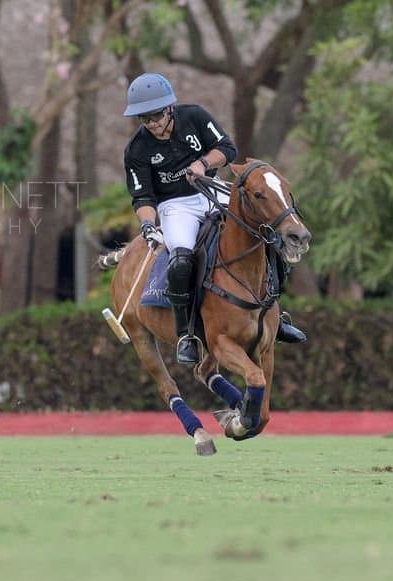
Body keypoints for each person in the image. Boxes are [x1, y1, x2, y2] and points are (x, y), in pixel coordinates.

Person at [121, 72, 306, 365]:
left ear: (170, 108)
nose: (153, 123)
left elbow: (228, 148)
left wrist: (203, 163)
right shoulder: (137, 149)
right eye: (145, 119)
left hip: (212, 189)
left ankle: (276, 315)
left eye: (156, 115)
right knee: (181, 259)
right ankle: (187, 336)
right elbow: (143, 198)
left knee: (264, 232)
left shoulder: (194, 117)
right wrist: (147, 225)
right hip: (175, 206)